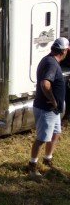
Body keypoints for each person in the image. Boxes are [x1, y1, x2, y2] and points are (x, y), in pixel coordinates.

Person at [28, 37, 69, 176]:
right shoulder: (51, 63)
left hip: (53, 110)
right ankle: (32, 165)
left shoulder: (49, 60)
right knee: (41, 138)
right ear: (63, 51)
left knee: (56, 133)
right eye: (67, 51)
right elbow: (45, 84)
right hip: (47, 109)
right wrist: (53, 100)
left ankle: (47, 159)